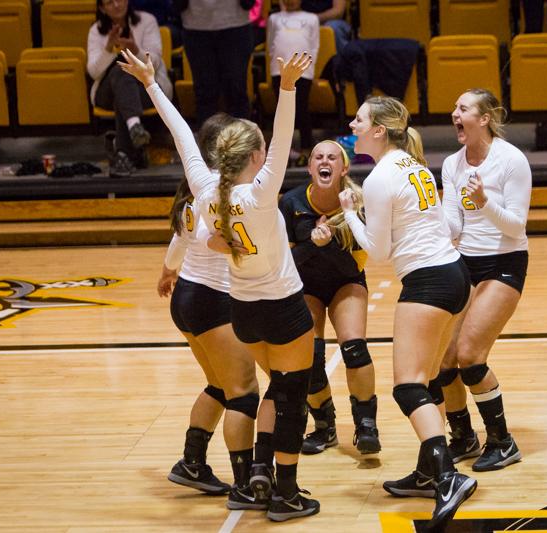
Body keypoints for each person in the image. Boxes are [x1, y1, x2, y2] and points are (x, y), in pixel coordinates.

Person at [120, 48, 320, 521]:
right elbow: (283, 133)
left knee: (260, 390)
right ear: (257, 156)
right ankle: (275, 489)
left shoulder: (203, 190)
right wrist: (288, 87)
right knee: (281, 395)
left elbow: (182, 134)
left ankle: (256, 475)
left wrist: (151, 83)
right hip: (281, 306)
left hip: (245, 313)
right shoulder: (262, 191)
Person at [339, 96, 477, 531]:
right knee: (430, 376)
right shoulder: (414, 165)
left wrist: (349, 215)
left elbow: (377, 252)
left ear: (378, 130)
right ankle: (425, 473)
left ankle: (448, 475)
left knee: (407, 387)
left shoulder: (381, 177)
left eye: (359, 119)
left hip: (429, 281)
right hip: (454, 274)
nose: (352, 123)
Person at [437, 88, 532, 472]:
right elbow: (453, 225)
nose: (454, 114)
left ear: (484, 118)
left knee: (470, 355)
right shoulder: (451, 164)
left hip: (504, 261)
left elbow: (516, 225)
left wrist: (484, 204)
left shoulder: (511, 160)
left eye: (463, 108)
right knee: (443, 361)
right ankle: (463, 438)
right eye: (455, 108)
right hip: (465, 262)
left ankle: (502, 441)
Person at [159, 173, 260, 503]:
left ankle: (191, 463)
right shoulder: (219, 198)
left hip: (187, 295)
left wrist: (167, 272)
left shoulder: (195, 195)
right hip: (212, 299)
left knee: (219, 384)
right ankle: (245, 485)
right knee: (243, 392)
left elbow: (179, 243)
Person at [278, 140, 380, 456]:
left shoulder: (358, 204)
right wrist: (312, 244)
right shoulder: (291, 202)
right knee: (308, 355)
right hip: (304, 286)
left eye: (332, 157)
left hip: (345, 282)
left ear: (343, 168)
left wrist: (329, 245)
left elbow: (354, 265)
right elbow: (286, 262)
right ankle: (325, 426)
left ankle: (366, 425)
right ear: (310, 168)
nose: (325, 161)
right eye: (317, 157)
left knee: (354, 347)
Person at [88, 0, 172, 177]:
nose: (116, 5)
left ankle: (123, 154)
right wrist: (108, 48)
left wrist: (135, 49)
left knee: (124, 89)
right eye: (110, 3)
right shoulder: (96, 30)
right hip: (106, 92)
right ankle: (134, 129)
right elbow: (94, 72)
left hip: (146, 88)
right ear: (102, 8)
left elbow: (155, 63)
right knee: (122, 70)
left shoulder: (147, 21)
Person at [180, 0, 255, 126]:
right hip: (195, 28)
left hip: (235, 26)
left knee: (236, 90)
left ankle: (241, 143)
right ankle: (207, 143)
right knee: (205, 93)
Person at [267, 0, 319, 166]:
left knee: (301, 109)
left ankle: (306, 149)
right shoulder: (274, 18)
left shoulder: (311, 18)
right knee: (281, 110)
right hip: (278, 70)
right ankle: (284, 152)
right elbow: (270, 45)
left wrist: (310, 69)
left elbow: (314, 46)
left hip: (304, 71)